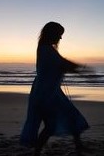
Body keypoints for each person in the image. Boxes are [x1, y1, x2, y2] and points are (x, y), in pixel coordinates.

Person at [20, 21, 90, 156]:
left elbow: (62, 64)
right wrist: (82, 70)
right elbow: (63, 64)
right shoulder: (45, 49)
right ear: (51, 33)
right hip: (44, 94)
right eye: (59, 34)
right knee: (51, 125)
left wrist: (80, 70)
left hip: (51, 91)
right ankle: (37, 152)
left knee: (71, 114)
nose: (61, 38)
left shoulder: (47, 48)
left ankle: (78, 145)